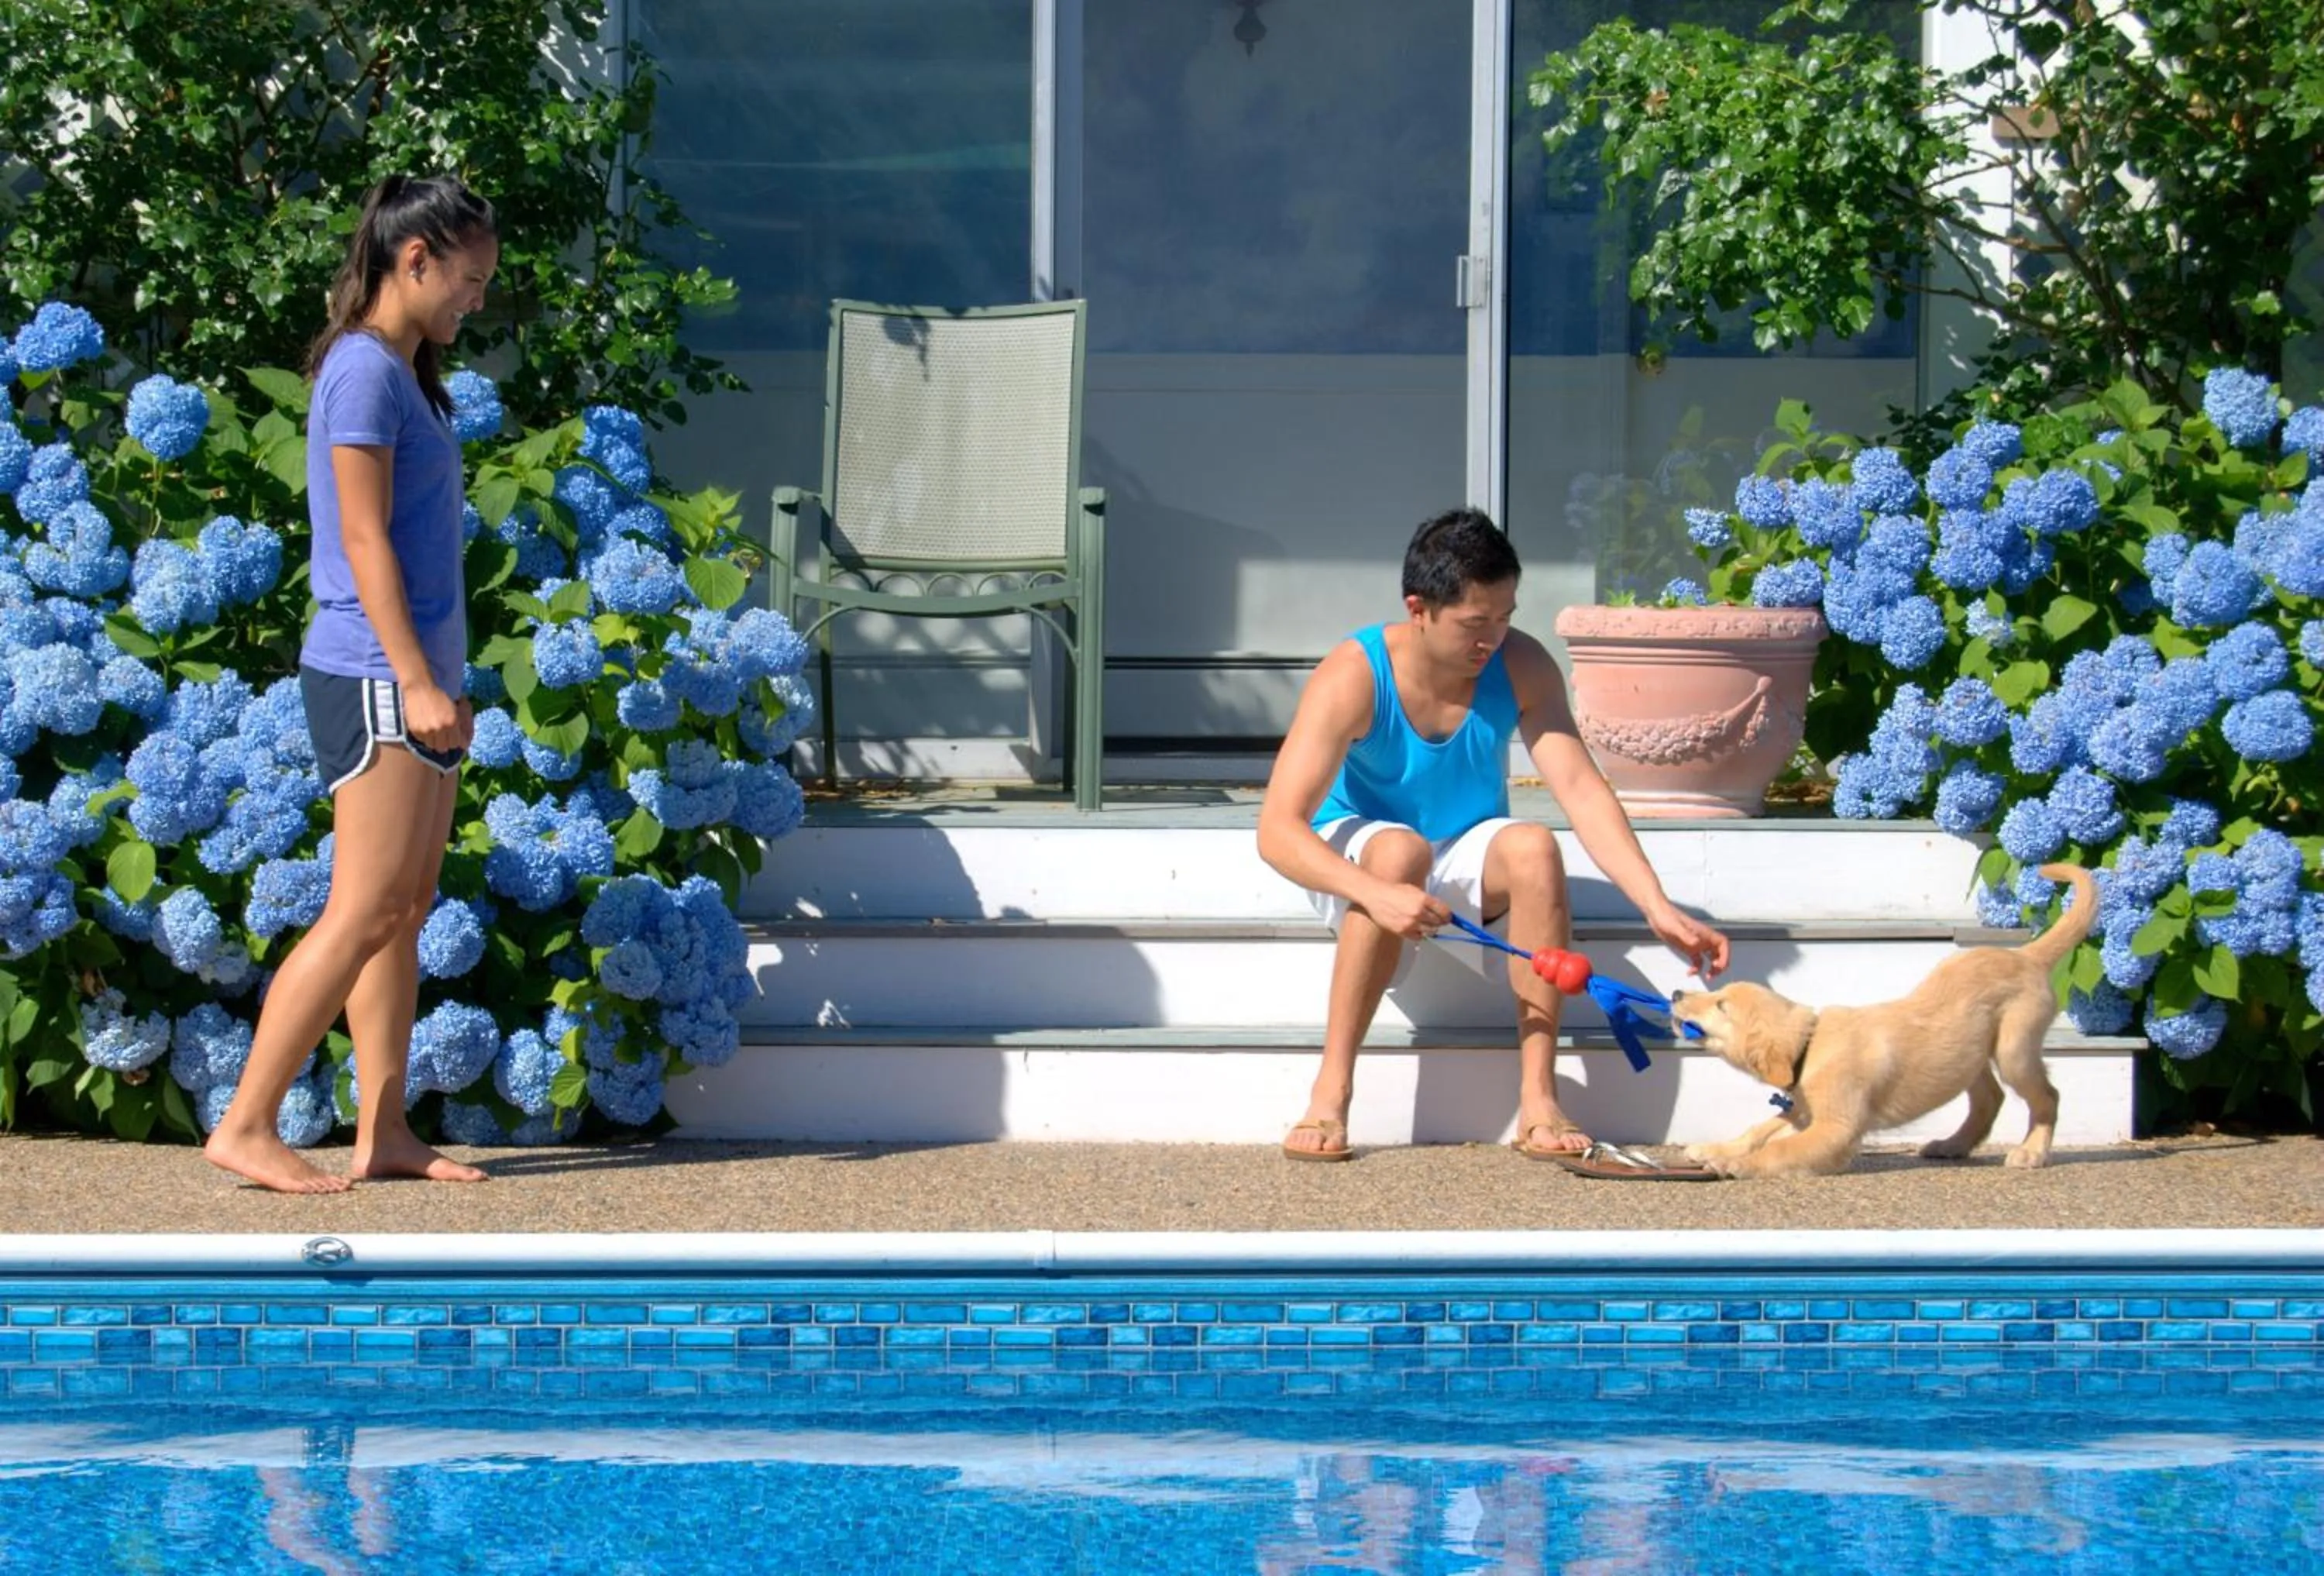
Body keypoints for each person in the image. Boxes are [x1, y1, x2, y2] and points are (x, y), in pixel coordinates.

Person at [1256, 508, 1731, 1161]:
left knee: (1535, 845)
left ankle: (1538, 1099)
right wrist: (1377, 891)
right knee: (1399, 850)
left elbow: (1583, 791)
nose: (1494, 638)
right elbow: (1277, 830)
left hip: (1458, 844)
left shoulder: (1522, 664)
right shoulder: (1356, 673)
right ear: (1418, 608)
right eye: (1476, 624)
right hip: (1360, 854)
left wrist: (1656, 905)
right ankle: (1330, 1093)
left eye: (1506, 617)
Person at [205, 174, 498, 1193]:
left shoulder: (407, 375)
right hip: (376, 674)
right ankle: (247, 1122)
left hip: (416, 676)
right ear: (413, 261)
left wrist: (443, 680)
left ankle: (384, 1131)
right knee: (363, 904)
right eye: (469, 279)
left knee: (404, 906)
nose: (477, 300)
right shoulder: (365, 372)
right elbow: (362, 538)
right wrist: (417, 679)